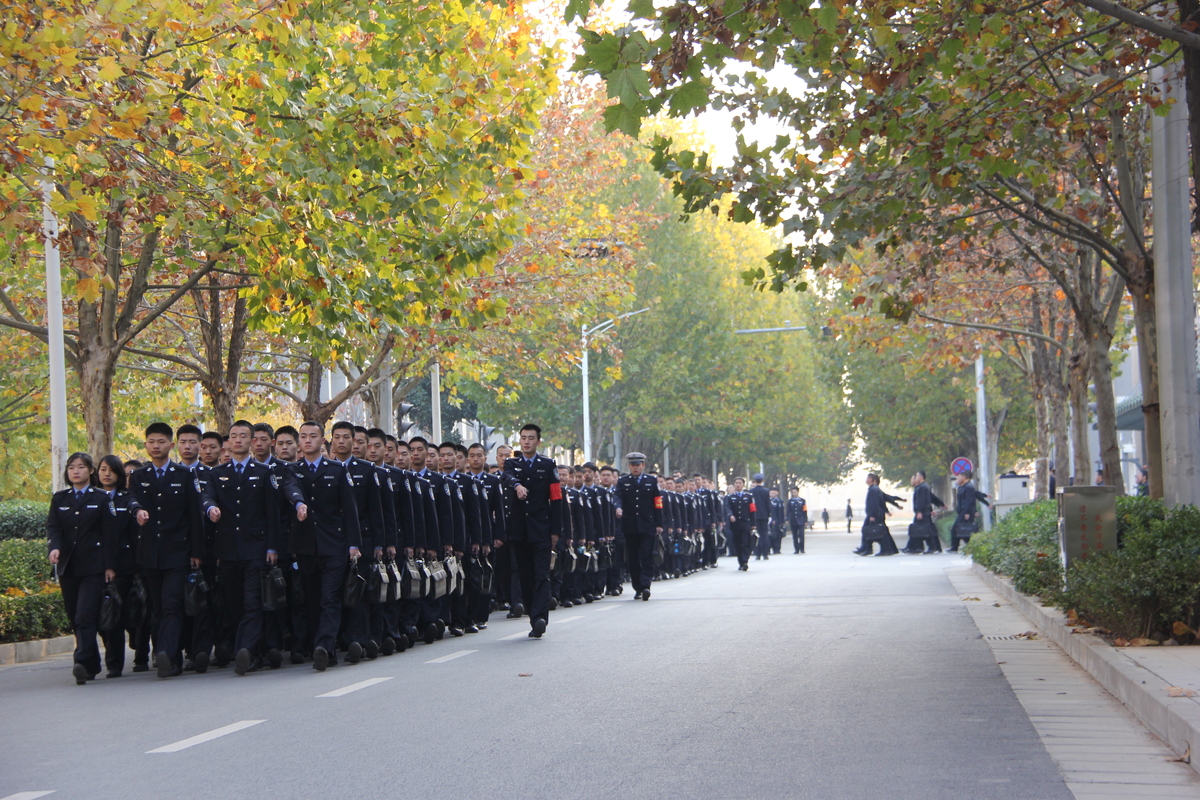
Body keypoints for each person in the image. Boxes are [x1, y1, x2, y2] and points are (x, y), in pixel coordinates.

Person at [199, 420, 284, 675]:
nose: (238, 440)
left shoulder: (263, 472)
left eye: (243, 436)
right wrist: (210, 508)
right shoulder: (216, 473)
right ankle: (249, 649)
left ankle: (246, 650)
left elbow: (272, 514)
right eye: (233, 436)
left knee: (253, 601)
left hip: (256, 548)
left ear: (252, 442)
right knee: (233, 603)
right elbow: (207, 496)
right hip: (227, 550)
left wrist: (272, 547)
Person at [127, 422, 204, 678]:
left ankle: (166, 653)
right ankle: (171, 659)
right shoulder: (139, 476)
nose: (156, 446)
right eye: (151, 442)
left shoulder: (184, 475)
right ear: (146, 445)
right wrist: (138, 511)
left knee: (172, 603)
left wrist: (196, 551)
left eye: (161, 442)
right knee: (158, 606)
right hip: (150, 553)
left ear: (171, 445)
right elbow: (132, 500)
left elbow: (194, 515)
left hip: (178, 552)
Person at [289, 420, 362, 671]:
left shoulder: (337, 470)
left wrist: (354, 544)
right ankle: (325, 649)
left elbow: (349, 512)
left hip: (334, 545)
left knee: (329, 598)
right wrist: (299, 504)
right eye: (303, 436)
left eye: (313, 436)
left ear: (323, 441)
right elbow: (291, 490)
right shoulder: (292, 470)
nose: (307, 440)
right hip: (305, 546)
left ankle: (324, 645)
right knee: (312, 599)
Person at [48, 452, 116, 685]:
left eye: (81, 467)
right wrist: (54, 548)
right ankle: (92, 664)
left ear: (90, 471)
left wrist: (109, 566)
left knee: (85, 614)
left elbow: (109, 534)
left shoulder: (101, 497)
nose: (75, 471)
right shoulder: (60, 499)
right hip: (69, 566)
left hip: (94, 567)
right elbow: (54, 528)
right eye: (71, 468)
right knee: (75, 617)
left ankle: (81, 661)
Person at [503, 424, 564, 636]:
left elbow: (556, 498)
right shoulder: (511, 463)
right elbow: (507, 477)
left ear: (538, 441)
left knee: (542, 574)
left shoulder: (548, 465)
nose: (526, 441)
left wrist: (556, 529)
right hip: (519, 530)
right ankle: (532, 612)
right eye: (523, 438)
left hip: (542, 529)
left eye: (531, 438)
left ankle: (540, 617)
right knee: (525, 575)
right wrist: (517, 486)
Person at [96, 454, 146, 677]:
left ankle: (130, 658)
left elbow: (135, 535)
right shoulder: (93, 498)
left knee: (124, 612)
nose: (107, 474)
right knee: (104, 615)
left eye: (111, 471)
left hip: (125, 564)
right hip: (95, 566)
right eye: (103, 470)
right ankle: (112, 659)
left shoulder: (127, 501)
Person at [614, 452, 663, 598]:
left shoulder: (651, 481)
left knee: (647, 556)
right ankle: (637, 588)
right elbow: (617, 497)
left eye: (637, 465)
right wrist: (617, 507)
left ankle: (646, 584)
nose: (635, 468)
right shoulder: (623, 481)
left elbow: (658, 503)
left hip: (647, 524)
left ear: (643, 465)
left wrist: (659, 523)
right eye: (632, 465)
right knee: (633, 558)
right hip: (630, 526)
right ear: (629, 466)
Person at [855, 473, 903, 556]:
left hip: (875, 514)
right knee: (879, 531)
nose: (866, 479)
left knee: (871, 530)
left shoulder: (874, 490)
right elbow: (886, 498)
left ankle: (871, 548)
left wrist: (872, 515)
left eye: (868, 478)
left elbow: (875, 503)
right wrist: (896, 504)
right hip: (878, 513)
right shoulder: (875, 489)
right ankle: (889, 549)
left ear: (873, 480)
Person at [905, 471, 944, 554]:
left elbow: (922, 501)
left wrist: (919, 511)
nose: (915, 478)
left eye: (917, 476)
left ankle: (932, 547)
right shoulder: (921, 487)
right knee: (919, 530)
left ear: (921, 477)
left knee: (925, 530)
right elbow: (928, 499)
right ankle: (915, 547)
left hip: (923, 513)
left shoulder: (923, 487)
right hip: (924, 512)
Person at [949, 471, 989, 552]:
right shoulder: (962, 487)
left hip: (965, 512)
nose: (957, 478)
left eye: (959, 476)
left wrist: (968, 512)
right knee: (964, 530)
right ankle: (971, 546)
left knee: (957, 529)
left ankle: (956, 547)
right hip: (962, 512)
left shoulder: (968, 487)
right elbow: (976, 494)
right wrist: (984, 496)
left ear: (964, 477)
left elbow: (970, 501)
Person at [750, 474, 771, 561]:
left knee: (756, 535)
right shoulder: (766, 491)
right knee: (764, 535)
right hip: (764, 516)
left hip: (754, 516)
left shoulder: (751, 491)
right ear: (762, 481)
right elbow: (768, 504)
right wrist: (769, 515)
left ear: (754, 481)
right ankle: (765, 554)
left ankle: (757, 554)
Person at [787, 487, 808, 554]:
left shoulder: (802, 501)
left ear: (798, 492)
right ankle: (796, 549)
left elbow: (805, 511)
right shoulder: (790, 501)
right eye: (792, 492)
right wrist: (787, 519)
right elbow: (788, 511)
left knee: (801, 535)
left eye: (795, 492)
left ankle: (802, 548)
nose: (794, 493)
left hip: (801, 520)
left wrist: (806, 520)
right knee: (795, 535)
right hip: (793, 520)